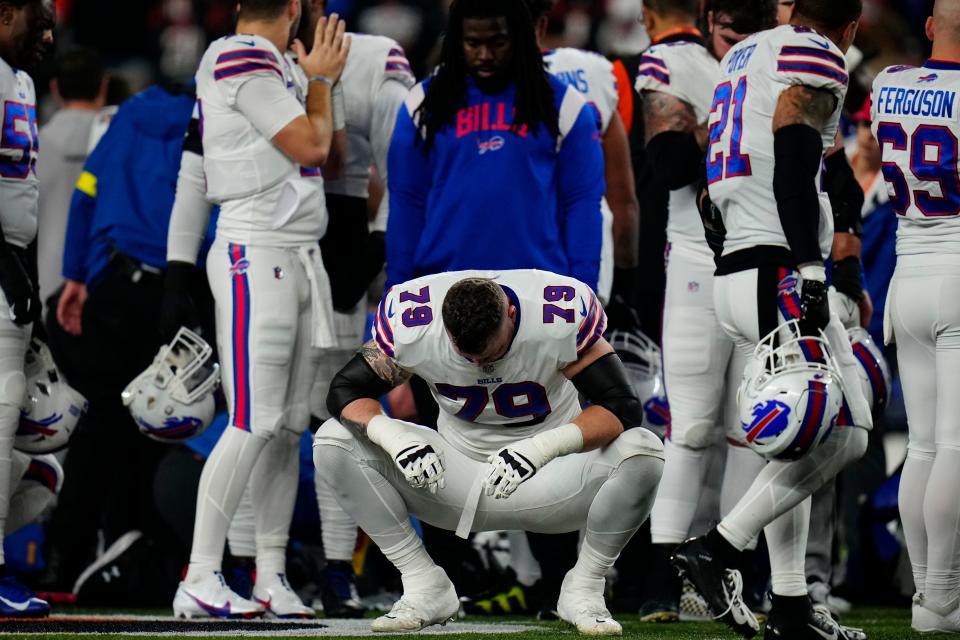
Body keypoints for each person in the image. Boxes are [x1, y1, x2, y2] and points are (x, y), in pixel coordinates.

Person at [672, 0, 873, 639]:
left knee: (802, 438)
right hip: (776, 267)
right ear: (850, 25)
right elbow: (792, 153)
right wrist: (813, 269)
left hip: (736, 264)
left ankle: (788, 601)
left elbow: (713, 170)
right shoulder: (816, 52)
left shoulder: (741, 53)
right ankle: (722, 547)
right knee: (850, 430)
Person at [314, 270, 665, 635]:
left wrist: (541, 448)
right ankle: (423, 582)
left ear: (512, 314)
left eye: (491, 350)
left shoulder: (554, 314)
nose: (480, 363)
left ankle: (585, 587)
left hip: (553, 473)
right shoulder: (415, 320)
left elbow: (622, 406)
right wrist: (394, 438)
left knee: (642, 449)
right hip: (455, 474)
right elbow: (344, 390)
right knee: (333, 439)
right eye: (465, 353)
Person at [171, 0, 349, 619]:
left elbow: (330, 149)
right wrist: (321, 81)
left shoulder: (278, 61)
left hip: (296, 254)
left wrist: (315, 79)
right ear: (297, 6)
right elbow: (312, 145)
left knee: (287, 424)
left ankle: (270, 575)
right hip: (257, 251)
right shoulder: (239, 53)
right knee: (252, 418)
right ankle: (199, 574)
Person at [633, 0, 778, 623]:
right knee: (689, 428)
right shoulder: (675, 61)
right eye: (729, 28)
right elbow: (665, 168)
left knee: (754, 429)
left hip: (765, 253)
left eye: (752, 29)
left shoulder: (789, 64)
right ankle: (665, 582)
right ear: (707, 18)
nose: (738, 41)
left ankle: (734, 573)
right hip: (696, 256)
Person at [50, 81, 201, 596]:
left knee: (100, 423)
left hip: (113, 282)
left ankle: (65, 557)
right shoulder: (209, 117)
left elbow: (86, 193)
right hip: (176, 292)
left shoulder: (130, 115)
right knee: (160, 428)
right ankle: (140, 555)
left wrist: (75, 275)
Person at [385, 0, 605, 293]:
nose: (485, 55)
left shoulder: (564, 105)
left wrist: (584, 294)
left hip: (537, 290)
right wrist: (398, 288)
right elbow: (406, 202)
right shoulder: (422, 104)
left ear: (519, 38)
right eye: (473, 43)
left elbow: (582, 204)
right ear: (456, 42)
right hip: (442, 286)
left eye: (498, 42)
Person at [872, 0, 960, 632]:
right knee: (953, 446)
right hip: (957, 270)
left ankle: (927, 598)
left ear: (930, 27)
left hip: (907, 273)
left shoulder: (889, 86)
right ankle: (944, 597)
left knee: (925, 446)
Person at [0, 0, 53, 617]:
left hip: (13, 264)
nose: (45, 36)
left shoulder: (21, 80)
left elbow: (22, 196)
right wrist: (9, 270)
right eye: (37, 23)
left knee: (43, 472)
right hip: (0, 267)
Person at [36, 47, 106, 303]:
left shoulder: (34, 145)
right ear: (103, 86)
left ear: (55, 89)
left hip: (46, 287)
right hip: (104, 289)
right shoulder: (122, 144)